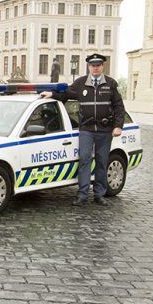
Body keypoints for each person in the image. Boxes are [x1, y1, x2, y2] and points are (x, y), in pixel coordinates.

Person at [40, 53, 125, 207]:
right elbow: (66, 93)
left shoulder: (111, 84)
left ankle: (99, 195)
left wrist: (118, 126)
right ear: (88, 67)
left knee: (101, 162)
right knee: (85, 159)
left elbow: (119, 106)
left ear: (102, 66)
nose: (95, 68)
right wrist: (52, 94)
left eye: (98, 65)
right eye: (93, 65)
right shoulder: (80, 83)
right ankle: (82, 195)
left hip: (105, 130)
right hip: (86, 129)